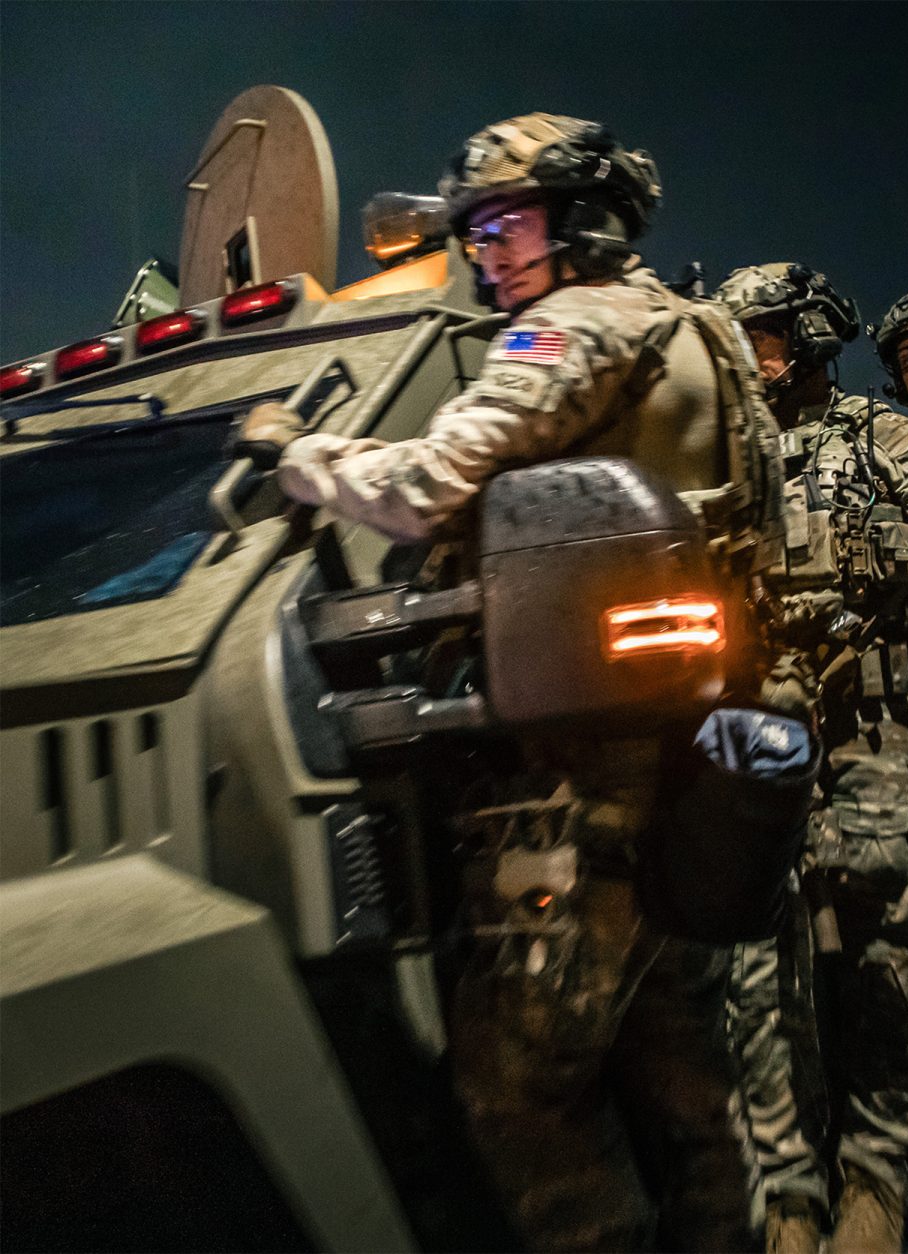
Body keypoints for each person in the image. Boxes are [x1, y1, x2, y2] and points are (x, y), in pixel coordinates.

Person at [239, 113, 774, 1251]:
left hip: (577, 769)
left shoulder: (574, 328)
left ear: (581, 217)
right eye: (477, 233)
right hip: (688, 742)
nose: (488, 254)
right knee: (687, 1079)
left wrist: (306, 454)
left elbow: (433, 483)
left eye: (508, 224)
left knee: (517, 1085)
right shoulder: (701, 329)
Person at [716, 263, 908, 1253]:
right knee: (747, 954)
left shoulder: (889, 441)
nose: (747, 352)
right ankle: (790, 1195)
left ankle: (877, 1175)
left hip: (876, 726)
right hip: (754, 731)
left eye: (761, 332)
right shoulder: (724, 460)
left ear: (808, 333)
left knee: (878, 913)